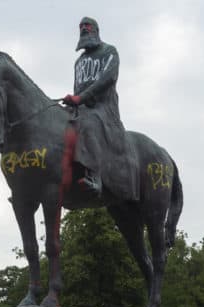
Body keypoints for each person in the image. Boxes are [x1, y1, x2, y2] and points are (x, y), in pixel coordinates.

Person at [62, 17, 137, 200]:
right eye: (81, 27)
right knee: (57, 123)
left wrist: (81, 98)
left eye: (87, 27)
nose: (84, 30)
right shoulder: (78, 62)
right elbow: (77, 88)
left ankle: (94, 176)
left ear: (96, 30)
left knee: (88, 122)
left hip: (103, 108)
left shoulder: (109, 51)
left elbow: (107, 79)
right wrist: (72, 101)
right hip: (81, 108)